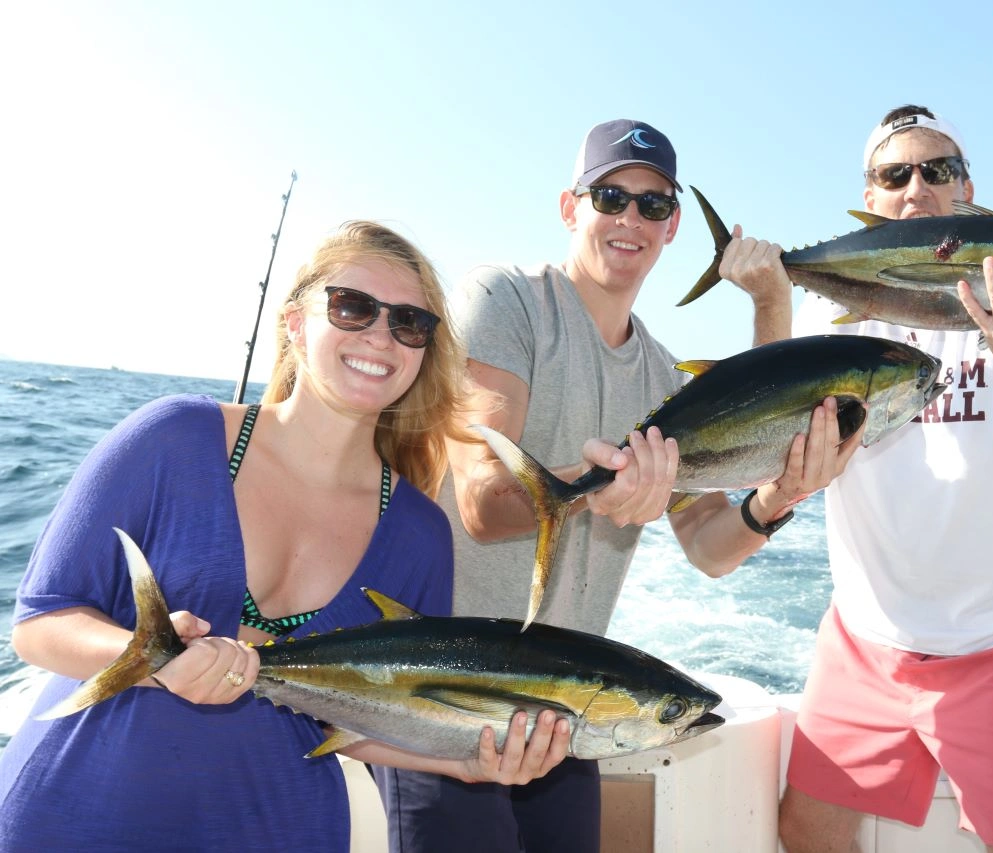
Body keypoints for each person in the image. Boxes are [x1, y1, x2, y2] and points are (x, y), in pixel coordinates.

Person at [0, 221, 570, 851]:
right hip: (70, 815)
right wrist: (155, 662)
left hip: (278, 826)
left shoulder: (419, 534)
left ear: (424, 351)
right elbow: (40, 623)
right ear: (296, 323)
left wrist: (464, 763)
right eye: (352, 307)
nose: (380, 335)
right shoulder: (171, 438)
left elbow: (363, 713)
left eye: (409, 322)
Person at [371, 119, 856, 852]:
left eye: (652, 205)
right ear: (571, 207)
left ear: (672, 228)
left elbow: (711, 546)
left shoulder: (664, 380)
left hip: (570, 707)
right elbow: (480, 500)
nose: (630, 218)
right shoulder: (505, 300)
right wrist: (589, 489)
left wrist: (777, 495)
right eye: (610, 196)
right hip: (447, 686)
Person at [723, 106, 993, 852]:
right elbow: (773, 441)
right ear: (869, 200)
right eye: (894, 175)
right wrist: (772, 299)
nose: (917, 188)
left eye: (938, 170)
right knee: (806, 832)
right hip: (867, 638)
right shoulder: (831, 310)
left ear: (968, 190)